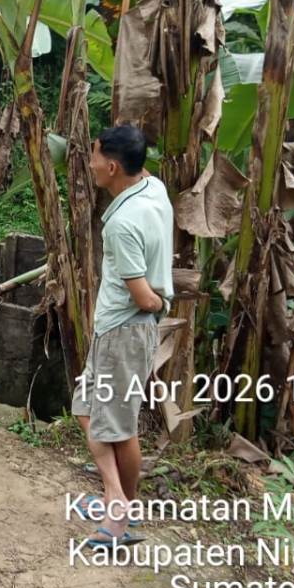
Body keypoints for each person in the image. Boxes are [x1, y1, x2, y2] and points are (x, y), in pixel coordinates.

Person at [71, 124, 173, 548]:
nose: (91, 164)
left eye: (94, 157)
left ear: (112, 167)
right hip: (118, 331)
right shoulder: (154, 189)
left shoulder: (121, 225)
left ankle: (121, 514)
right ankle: (118, 498)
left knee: (119, 425)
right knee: (86, 406)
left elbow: (143, 295)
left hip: (124, 332)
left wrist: (159, 303)